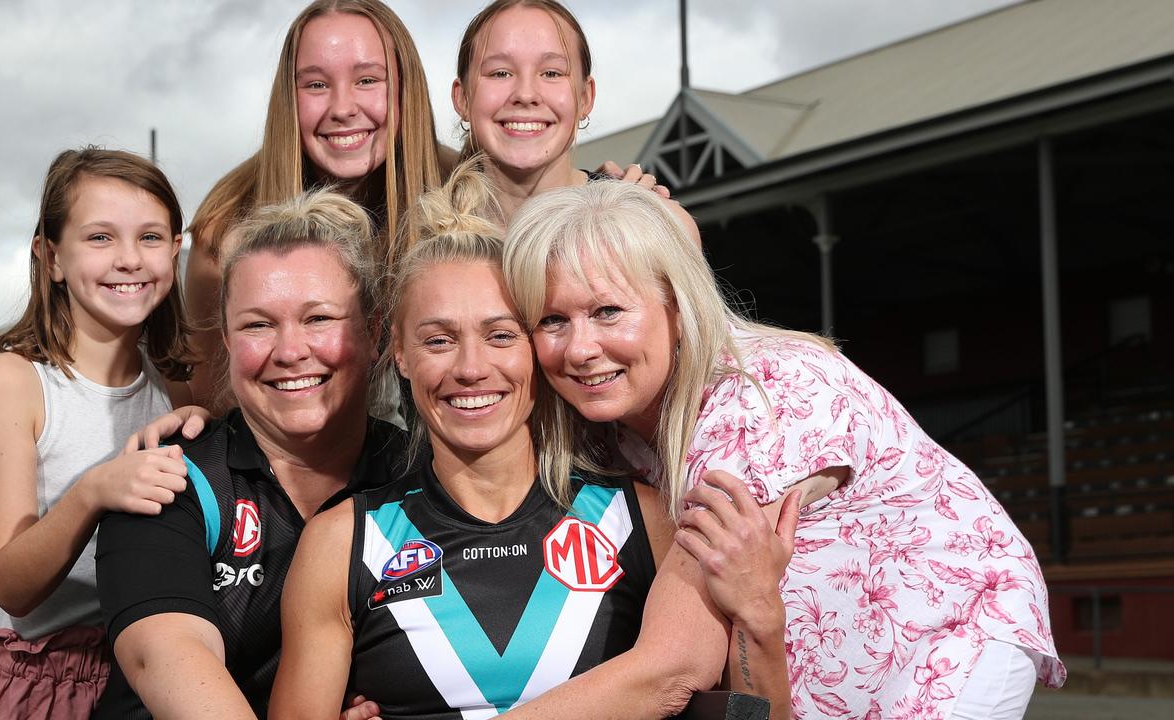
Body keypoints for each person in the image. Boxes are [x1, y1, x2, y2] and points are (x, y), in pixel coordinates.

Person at [501, 181, 1067, 720]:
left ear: (678, 305)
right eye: (552, 320)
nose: (578, 349)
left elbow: (674, 668)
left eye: (607, 311)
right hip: (829, 668)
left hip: (946, 648)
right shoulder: (613, 417)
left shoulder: (760, 398)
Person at [270, 162, 793, 720]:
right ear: (398, 351)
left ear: (538, 346)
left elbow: (745, 711)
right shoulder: (342, 543)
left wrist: (763, 619)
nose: (471, 368)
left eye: (501, 335)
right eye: (439, 340)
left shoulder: (641, 518)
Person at [93, 190, 406, 719]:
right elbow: (162, 657)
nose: (289, 352)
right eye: (258, 325)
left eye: (319, 319)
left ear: (374, 331)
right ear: (228, 342)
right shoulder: (167, 477)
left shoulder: (418, 472)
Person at [0, 148, 195, 719]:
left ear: (176, 248)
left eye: (151, 237)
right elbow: (12, 584)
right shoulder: (13, 383)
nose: (130, 259)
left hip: (148, 677)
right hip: (41, 682)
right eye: (100, 238)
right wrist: (93, 492)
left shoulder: (179, 390)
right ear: (51, 256)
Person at [186, 0, 446, 411]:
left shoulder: (461, 190)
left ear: (404, 86)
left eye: (366, 80)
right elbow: (211, 402)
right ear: (289, 98)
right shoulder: (226, 225)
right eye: (316, 85)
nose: (343, 109)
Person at [451, 0, 700, 243]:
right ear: (462, 98)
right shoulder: (421, 234)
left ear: (585, 97)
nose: (525, 95)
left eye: (551, 73)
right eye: (500, 73)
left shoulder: (653, 229)